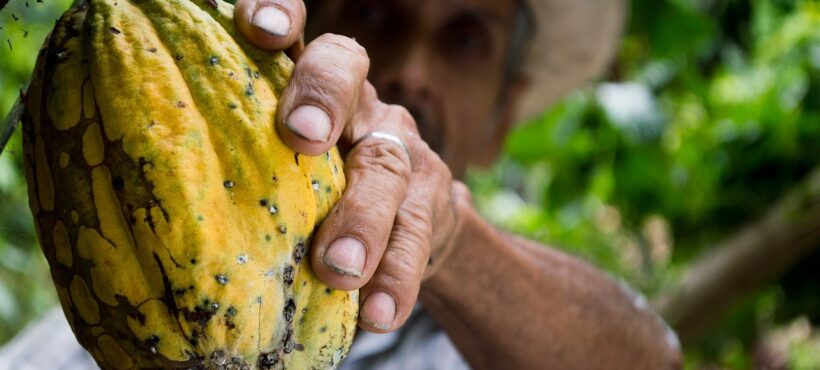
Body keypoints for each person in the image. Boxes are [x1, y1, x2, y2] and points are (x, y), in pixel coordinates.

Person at [0, 0, 683, 369]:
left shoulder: (498, 342)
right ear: (295, 38)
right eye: (377, 12)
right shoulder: (88, 333)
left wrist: (447, 238)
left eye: (465, 39)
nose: (413, 70)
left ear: (503, 117)